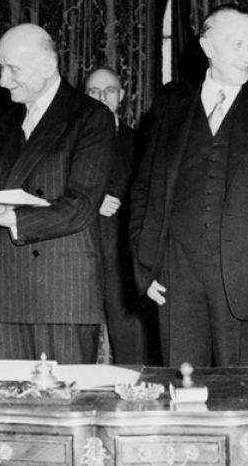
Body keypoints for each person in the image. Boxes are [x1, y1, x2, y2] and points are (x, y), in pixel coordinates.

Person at [129, 5, 248, 367]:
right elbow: (143, 191)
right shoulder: (170, 104)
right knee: (183, 396)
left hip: (245, 286)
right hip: (176, 281)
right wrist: (146, 266)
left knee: (240, 399)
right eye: (238, 45)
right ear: (207, 46)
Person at [0, 23, 113, 363]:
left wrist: (9, 217)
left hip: (62, 293)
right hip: (4, 291)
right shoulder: (2, 122)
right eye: (1, 68)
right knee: (8, 405)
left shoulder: (90, 117)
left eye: (13, 69)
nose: (3, 81)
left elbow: (80, 206)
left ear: (48, 67)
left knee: (63, 404)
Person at [84, 66, 159, 365]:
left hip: (124, 265)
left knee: (132, 352)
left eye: (110, 90)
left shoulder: (142, 143)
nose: (102, 98)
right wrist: (91, 202)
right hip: (82, 259)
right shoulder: (69, 143)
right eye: (94, 91)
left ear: (123, 95)